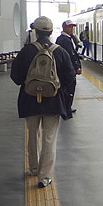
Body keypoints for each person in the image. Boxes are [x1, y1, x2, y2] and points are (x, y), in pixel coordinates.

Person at [10, 16, 75, 188]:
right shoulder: (60, 51)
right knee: (49, 137)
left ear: (36, 32)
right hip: (53, 101)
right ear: (51, 32)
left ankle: (33, 168)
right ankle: (44, 176)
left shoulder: (26, 51)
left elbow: (15, 76)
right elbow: (70, 77)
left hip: (30, 100)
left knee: (32, 135)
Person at [55, 19, 81, 113]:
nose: (71, 29)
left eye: (72, 27)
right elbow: (71, 55)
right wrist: (77, 67)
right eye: (69, 27)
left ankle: (66, 107)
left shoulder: (63, 38)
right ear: (64, 27)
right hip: (68, 70)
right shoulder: (65, 40)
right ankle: (67, 108)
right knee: (69, 89)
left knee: (66, 89)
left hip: (64, 70)